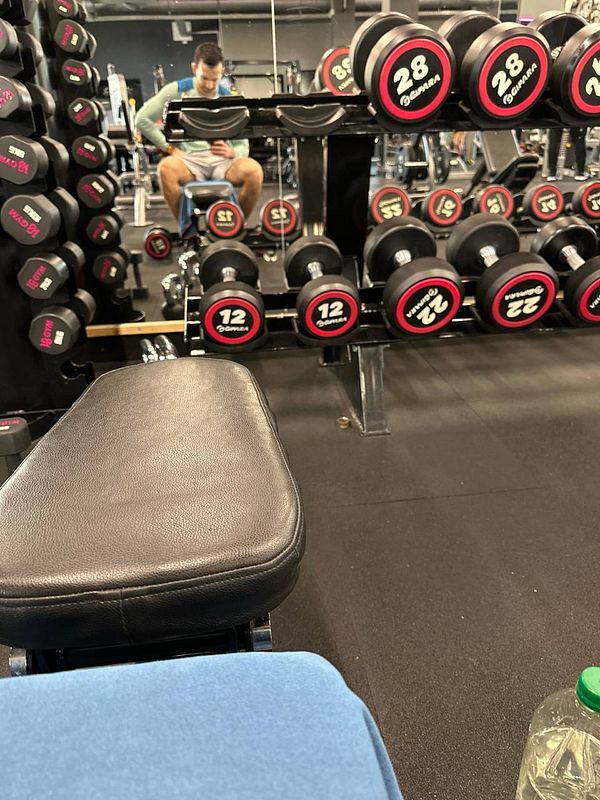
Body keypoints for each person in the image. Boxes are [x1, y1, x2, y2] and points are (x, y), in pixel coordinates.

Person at [136, 42, 263, 221]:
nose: (210, 85)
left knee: (254, 172)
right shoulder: (177, 90)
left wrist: (234, 151)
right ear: (194, 68)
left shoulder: (229, 97)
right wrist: (170, 149)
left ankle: (235, 226)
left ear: (221, 73)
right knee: (165, 169)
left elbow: (242, 142)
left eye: (215, 79)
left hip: (223, 162)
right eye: (205, 78)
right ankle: (188, 229)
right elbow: (141, 119)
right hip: (189, 160)